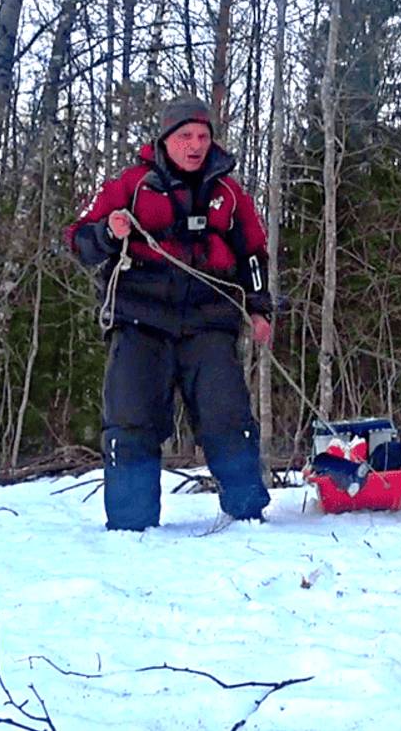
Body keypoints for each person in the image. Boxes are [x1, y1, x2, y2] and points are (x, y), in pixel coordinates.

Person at [66, 95, 275, 530]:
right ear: (166, 140)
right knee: (131, 418)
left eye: (202, 136)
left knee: (227, 415)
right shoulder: (131, 185)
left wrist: (260, 310)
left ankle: (248, 515)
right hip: (140, 319)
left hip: (208, 320)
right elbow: (80, 240)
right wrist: (108, 231)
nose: (195, 145)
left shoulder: (229, 194)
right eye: (185, 136)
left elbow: (253, 254)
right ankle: (131, 526)